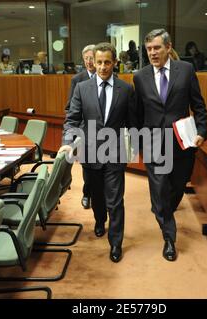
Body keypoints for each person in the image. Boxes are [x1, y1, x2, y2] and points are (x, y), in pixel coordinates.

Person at [133, 29, 207, 261]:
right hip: (154, 141)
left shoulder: (185, 70)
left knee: (176, 185)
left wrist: (202, 131)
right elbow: (137, 112)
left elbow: (199, 104)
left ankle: (165, 209)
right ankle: (169, 238)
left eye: (157, 48)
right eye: (149, 49)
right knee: (159, 188)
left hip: (182, 142)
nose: (153, 53)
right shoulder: (140, 76)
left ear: (168, 47)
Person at [60, 42, 135, 263]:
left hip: (115, 153)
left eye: (107, 62)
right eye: (99, 62)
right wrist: (67, 141)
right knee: (97, 197)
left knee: (115, 200)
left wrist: (135, 146)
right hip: (89, 152)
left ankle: (116, 243)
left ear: (114, 63)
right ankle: (100, 220)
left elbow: (132, 122)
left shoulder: (126, 89)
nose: (102, 67)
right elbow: (72, 118)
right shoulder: (82, 88)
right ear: (93, 62)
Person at [64, 44, 97, 209]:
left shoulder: (107, 76)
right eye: (86, 59)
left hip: (103, 131)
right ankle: (87, 193)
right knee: (87, 167)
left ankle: (98, 196)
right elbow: (70, 107)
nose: (90, 62)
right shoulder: (77, 79)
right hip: (84, 131)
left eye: (92, 58)